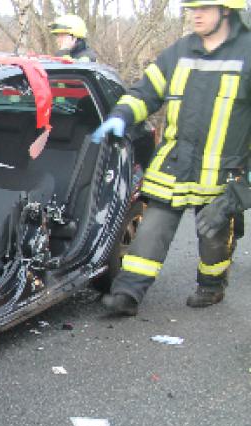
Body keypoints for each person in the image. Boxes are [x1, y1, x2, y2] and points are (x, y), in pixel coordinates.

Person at [91, 0, 251, 315]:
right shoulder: (179, 51)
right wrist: (122, 115)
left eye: (204, 8)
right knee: (151, 230)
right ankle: (126, 294)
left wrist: (242, 187)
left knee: (213, 238)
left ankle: (212, 286)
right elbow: (145, 92)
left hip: (222, 174)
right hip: (174, 166)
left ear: (227, 11)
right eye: (193, 9)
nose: (197, 15)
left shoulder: (247, 53)